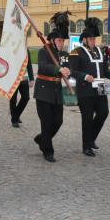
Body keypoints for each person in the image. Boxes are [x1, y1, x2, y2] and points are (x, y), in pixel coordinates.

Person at [69, 17, 110, 157]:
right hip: (85, 90)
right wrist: (85, 76)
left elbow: (105, 70)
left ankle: (91, 139)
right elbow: (72, 71)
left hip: (100, 89)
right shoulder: (76, 52)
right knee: (87, 118)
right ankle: (86, 146)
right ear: (84, 39)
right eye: (90, 39)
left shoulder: (100, 51)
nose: (93, 41)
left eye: (94, 39)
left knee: (103, 113)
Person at [33, 11, 71, 162]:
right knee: (47, 122)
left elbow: (69, 67)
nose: (62, 43)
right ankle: (47, 150)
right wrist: (58, 69)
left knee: (58, 121)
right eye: (60, 40)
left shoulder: (64, 54)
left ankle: (41, 139)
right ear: (53, 40)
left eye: (63, 41)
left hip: (57, 92)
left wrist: (68, 70)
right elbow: (42, 67)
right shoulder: (44, 51)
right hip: (43, 91)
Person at [10, 49, 34, 128]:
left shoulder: (25, 50)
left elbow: (29, 64)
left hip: (24, 78)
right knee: (13, 99)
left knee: (26, 97)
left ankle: (16, 115)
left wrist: (31, 78)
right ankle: (14, 120)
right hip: (13, 78)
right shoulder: (11, 48)